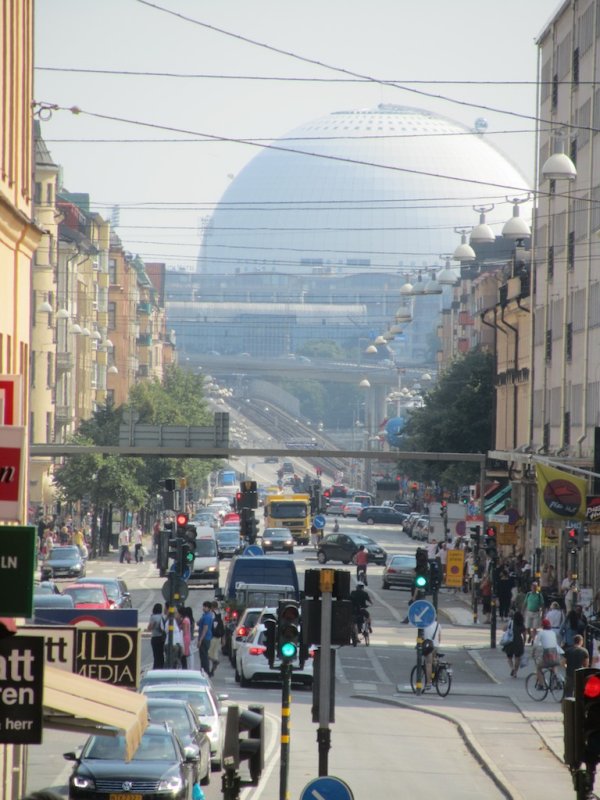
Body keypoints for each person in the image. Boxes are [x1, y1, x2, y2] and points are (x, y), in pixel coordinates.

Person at [532, 618, 562, 687]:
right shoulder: (553, 632)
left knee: (539, 667)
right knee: (554, 665)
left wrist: (533, 653)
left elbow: (536, 645)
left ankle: (541, 684)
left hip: (548, 654)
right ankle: (556, 679)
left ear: (542, 626)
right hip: (556, 654)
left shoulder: (541, 633)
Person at [502, 610, 526, 677]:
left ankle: (512, 668)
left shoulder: (511, 622)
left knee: (509, 657)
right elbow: (524, 635)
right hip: (518, 642)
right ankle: (515, 672)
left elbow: (504, 629)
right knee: (517, 658)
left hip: (510, 642)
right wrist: (524, 642)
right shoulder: (521, 624)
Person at [423, 618, 442, 691]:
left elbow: (422, 637)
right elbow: (440, 638)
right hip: (436, 646)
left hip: (428, 646)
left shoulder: (425, 624)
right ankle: (435, 677)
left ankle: (428, 683)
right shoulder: (438, 625)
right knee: (434, 661)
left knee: (428, 664)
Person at [147, 602, 166, 669]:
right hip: (161, 638)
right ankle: (162, 667)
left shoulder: (153, 617)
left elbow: (149, 628)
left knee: (156, 655)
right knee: (161, 654)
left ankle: (156, 668)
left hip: (155, 637)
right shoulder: (162, 617)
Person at [197, 600, 214, 675]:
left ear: (209, 608)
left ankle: (205, 671)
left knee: (204, 656)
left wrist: (200, 639)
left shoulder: (207, 616)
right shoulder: (205, 615)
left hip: (205, 638)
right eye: (203, 606)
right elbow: (198, 623)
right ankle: (204, 670)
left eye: (205, 607)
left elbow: (205, 628)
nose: (204, 608)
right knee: (203, 655)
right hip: (206, 638)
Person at [209, 601, 224, 677]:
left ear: (212, 607)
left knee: (208, 654)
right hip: (218, 637)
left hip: (213, 637)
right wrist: (223, 638)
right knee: (214, 654)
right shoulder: (220, 614)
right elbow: (223, 626)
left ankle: (215, 662)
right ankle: (212, 671)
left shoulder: (212, 615)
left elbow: (211, 626)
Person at [177, 605, 192, 669]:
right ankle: (184, 667)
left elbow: (184, 631)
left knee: (183, 655)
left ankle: (184, 668)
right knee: (183, 655)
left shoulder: (185, 620)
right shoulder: (187, 619)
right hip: (187, 638)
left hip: (184, 639)